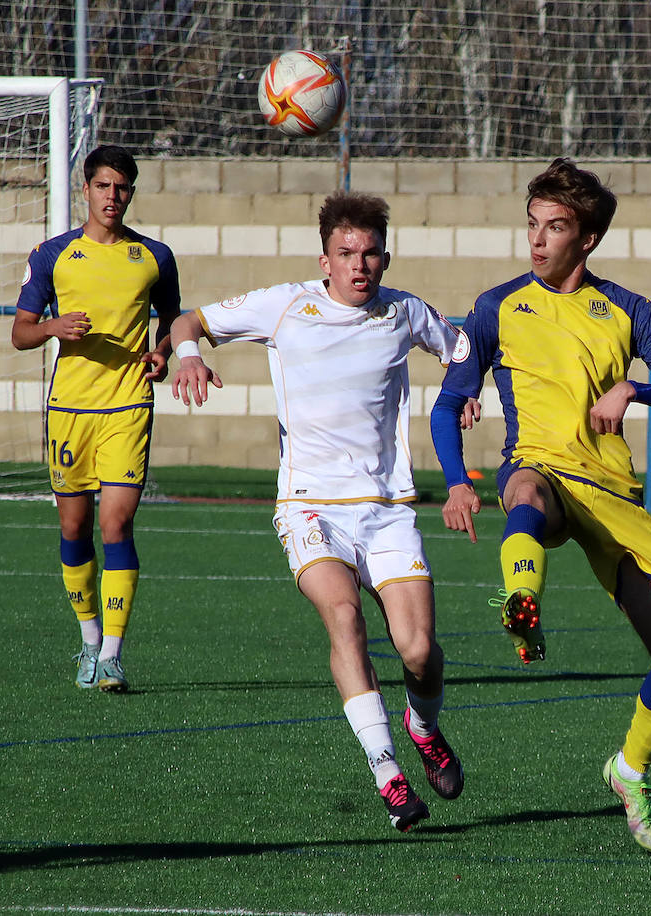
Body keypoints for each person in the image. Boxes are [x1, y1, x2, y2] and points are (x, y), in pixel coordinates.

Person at [430, 157, 651, 854]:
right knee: (526, 494)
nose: (537, 240)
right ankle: (520, 605)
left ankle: (630, 770)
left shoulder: (628, 310)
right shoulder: (496, 306)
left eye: (554, 227)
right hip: (540, 469)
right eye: (532, 224)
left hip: (612, 496)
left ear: (586, 238)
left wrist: (637, 391)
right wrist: (457, 480)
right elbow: (447, 401)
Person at [168, 191, 466, 833]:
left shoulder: (405, 312)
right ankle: (387, 772)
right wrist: (189, 355)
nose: (360, 265)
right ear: (325, 259)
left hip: (387, 510)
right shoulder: (286, 306)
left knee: (419, 650)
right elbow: (187, 323)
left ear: (385, 258)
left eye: (371, 254)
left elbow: (463, 349)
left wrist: (463, 390)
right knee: (344, 615)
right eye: (346, 253)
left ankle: (423, 724)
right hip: (310, 508)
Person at [11, 144, 181, 694]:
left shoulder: (155, 256)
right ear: (85, 189)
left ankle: (112, 656)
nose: (113, 197)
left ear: (132, 192)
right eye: (104, 186)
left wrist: (163, 353)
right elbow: (20, 333)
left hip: (129, 406)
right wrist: (53, 330)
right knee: (74, 527)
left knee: (117, 525)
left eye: (122, 188)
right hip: (69, 409)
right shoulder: (53, 254)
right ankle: (87, 641)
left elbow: (174, 322)